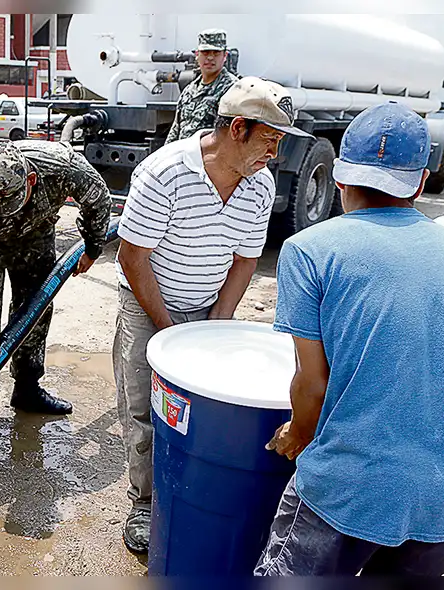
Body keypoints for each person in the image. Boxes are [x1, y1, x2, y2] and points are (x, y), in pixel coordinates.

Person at [256, 102, 444, 576]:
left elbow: (313, 385)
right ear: (421, 182)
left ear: (338, 178)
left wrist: (298, 433)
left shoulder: (310, 250)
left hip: (353, 488)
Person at [115, 77, 312, 554]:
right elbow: (132, 257)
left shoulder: (260, 186)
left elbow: (246, 258)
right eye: (271, 138)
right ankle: (145, 503)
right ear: (238, 127)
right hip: (148, 305)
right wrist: (168, 333)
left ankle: (191, 490)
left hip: (208, 305)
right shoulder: (164, 172)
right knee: (144, 406)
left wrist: (216, 325)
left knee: (200, 409)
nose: (276, 153)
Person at [0, 139, 111, 450]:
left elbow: (98, 198)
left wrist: (92, 246)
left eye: (10, 201)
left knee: (35, 313)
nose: (4, 212)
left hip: (35, 237)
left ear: (31, 180)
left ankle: (27, 387)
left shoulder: (61, 166)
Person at [164, 29, 239, 145]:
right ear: (197, 55)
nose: (210, 58)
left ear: (225, 56)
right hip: (184, 156)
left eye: (216, 53)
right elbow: (175, 130)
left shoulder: (233, 89)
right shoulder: (189, 90)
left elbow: (231, 137)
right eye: (206, 52)